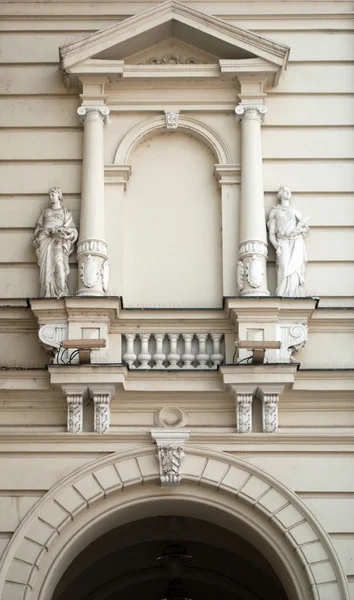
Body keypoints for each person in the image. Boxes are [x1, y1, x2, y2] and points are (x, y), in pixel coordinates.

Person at [33, 187, 78, 298]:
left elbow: (73, 230)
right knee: (47, 266)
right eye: (50, 196)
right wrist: (42, 235)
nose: (51, 197)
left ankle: (61, 290)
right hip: (46, 241)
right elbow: (38, 229)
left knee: (59, 263)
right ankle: (48, 291)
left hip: (59, 241)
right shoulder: (45, 212)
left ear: (59, 196)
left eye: (53, 195)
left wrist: (68, 235)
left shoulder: (65, 212)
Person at [267, 186, 309, 297]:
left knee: (294, 269)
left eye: (289, 191)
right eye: (285, 190)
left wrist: (299, 230)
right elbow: (271, 234)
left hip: (296, 241)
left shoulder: (295, 211)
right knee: (284, 266)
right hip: (282, 242)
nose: (287, 192)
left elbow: (305, 228)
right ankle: (282, 293)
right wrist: (276, 245)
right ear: (280, 194)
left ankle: (293, 293)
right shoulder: (275, 211)